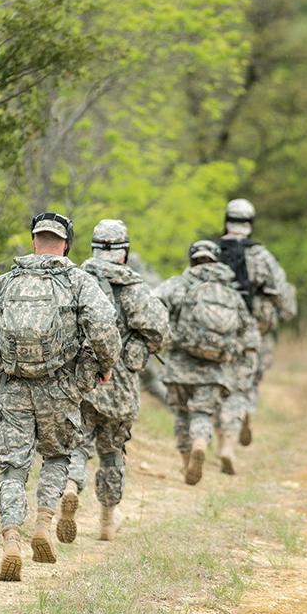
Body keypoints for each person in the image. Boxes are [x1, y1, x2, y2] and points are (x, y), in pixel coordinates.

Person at [0, 212, 121, 581]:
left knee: (13, 468)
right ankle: (43, 523)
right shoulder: (78, 281)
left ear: (34, 241)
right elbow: (103, 328)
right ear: (66, 244)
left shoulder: (5, 282)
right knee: (56, 456)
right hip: (60, 386)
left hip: (14, 387)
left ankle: (10, 540)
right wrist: (105, 365)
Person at [56, 220, 169, 543]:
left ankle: (69, 486)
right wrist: (136, 349)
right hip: (119, 386)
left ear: (92, 248)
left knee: (77, 444)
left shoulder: (74, 280)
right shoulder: (134, 287)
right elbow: (160, 330)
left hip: (80, 382)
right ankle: (107, 518)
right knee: (112, 452)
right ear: (124, 252)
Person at [155, 240, 258, 484]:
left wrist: (163, 337)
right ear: (216, 260)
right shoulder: (231, 292)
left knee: (181, 414)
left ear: (192, 260)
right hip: (215, 369)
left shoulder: (178, 285)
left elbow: (151, 306)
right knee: (202, 412)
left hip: (179, 365)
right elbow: (247, 330)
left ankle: (186, 461)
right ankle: (201, 442)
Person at [218, 198, 296, 445]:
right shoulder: (262, 256)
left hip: (218, 330)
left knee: (220, 377)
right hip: (256, 331)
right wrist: (285, 313)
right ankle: (244, 412)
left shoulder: (212, 252)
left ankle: (220, 426)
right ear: (251, 223)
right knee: (250, 376)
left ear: (227, 220)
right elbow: (282, 292)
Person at [126, 252, 169, 408]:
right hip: (148, 338)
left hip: (132, 339)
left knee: (148, 379)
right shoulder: (153, 279)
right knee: (151, 379)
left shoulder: (129, 282)